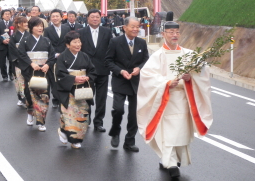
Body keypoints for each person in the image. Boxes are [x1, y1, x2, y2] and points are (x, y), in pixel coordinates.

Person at [136, 21, 213, 178]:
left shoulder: (188, 54)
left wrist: (190, 77)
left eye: (176, 32)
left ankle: (173, 159)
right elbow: (147, 76)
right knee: (168, 134)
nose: (174, 35)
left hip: (183, 98)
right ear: (163, 34)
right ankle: (170, 163)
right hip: (166, 99)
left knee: (181, 132)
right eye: (170, 32)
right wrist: (166, 83)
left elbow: (204, 71)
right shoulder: (158, 56)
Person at [105, 16, 149, 152]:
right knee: (118, 110)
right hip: (120, 80)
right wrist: (120, 71)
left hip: (136, 82)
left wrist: (139, 68)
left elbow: (146, 60)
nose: (136, 29)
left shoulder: (142, 43)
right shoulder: (115, 41)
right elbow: (108, 61)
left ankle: (129, 141)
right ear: (125, 28)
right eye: (133, 26)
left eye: (138, 26)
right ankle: (115, 131)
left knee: (134, 114)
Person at [56, 31, 96, 148]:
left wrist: (88, 77)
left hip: (82, 90)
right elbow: (60, 74)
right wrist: (74, 78)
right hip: (68, 91)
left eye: (79, 42)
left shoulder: (84, 56)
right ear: (68, 45)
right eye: (75, 42)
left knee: (82, 115)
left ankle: (74, 138)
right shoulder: (62, 57)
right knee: (69, 115)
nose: (78, 44)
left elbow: (92, 70)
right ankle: (70, 136)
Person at [18, 17, 55, 132]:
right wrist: (31, 63)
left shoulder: (47, 41)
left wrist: (48, 64)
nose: (40, 28)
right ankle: (30, 112)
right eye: (37, 26)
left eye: (41, 26)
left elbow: (52, 55)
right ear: (31, 27)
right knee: (30, 95)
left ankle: (41, 121)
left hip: (44, 72)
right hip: (31, 71)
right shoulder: (25, 41)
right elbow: (21, 55)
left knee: (43, 96)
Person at [78, 9, 112, 132]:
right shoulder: (81, 32)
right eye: (92, 17)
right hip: (87, 71)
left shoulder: (107, 32)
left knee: (101, 98)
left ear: (100, 18)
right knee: (86, 97)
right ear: (88, 18)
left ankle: (98, 122)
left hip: (103, 70)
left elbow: (110, 50)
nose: (95, 19)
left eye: (97, 17)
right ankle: (86, 120)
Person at [44, 9, 70, 108]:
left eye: (57, 16)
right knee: (54, 78)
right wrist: (54, 54)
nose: (55, 18)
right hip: (53, 57)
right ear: (50, 18)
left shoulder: (66, 28)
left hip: (65, 56)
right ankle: (56, 98)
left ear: (61, 17)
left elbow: (68, 42)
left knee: (64, 77)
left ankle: (63, 97)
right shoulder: (47, 30)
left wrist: (64, 53)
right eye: (53, 16)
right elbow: (46, 43)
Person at [8, 16, 30, 108]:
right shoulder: (14, 36)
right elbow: (12, 49)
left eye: (26, 22)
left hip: (27, 61)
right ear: (18, 24)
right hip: (17, 62)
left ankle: (27, 98)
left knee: (27, 81)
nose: (26, 24)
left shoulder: (29, 35)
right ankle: (21, 98)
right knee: (19, 81)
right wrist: (18, 59)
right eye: (24, 23)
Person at [0, 9, 14, 81]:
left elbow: (15, 33)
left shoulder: (13, 23)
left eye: (9, 14)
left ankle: (11, 74)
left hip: (11, 45)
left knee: (11, 60)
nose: (7, 15)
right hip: (2, 44)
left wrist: (10, 40)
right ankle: (4, 75)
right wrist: (2, 40)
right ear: (2, 15)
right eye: (6, 14)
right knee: (2, 61)